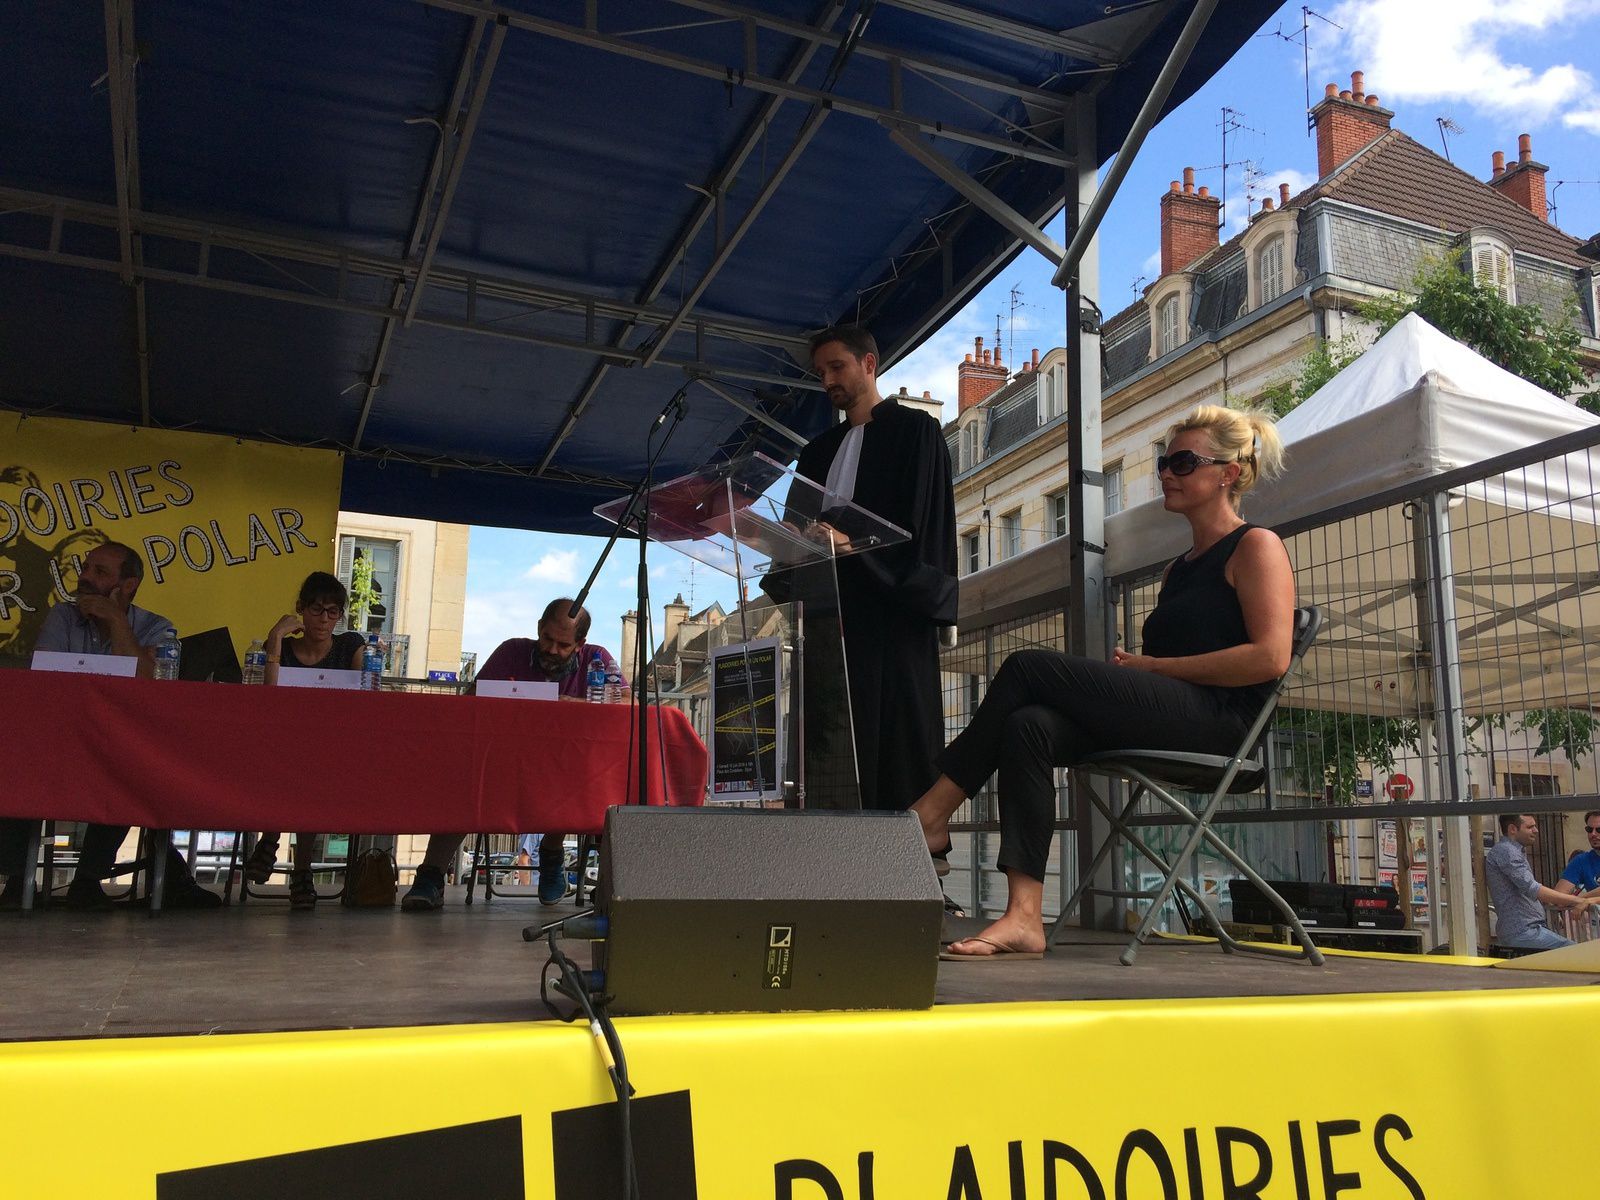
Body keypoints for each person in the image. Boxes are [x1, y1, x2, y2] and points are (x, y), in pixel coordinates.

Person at [909, 405, 1296, 959]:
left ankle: (931, 813)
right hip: (1174, 715)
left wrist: (1152, 668)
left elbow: (1270, 657)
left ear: (1228, 473)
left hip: (1222, 728)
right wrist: (1144, 673)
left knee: (1027, 667)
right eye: (1165, 461)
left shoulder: (1256, 546)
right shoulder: (1179, 568)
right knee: (1028, 725)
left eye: (1183, 462)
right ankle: (1023, 917)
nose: (1167, 472)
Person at [761, 325, 956, 813]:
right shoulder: (816, 452)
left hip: (893, 616)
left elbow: (923, 529)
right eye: (821, 372)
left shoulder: (916, 432)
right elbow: (792, 533)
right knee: (827, 751)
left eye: (836, 367)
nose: (828, 380)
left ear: (869, 364)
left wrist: (853, 547)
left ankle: (913, 867)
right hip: (829, 623)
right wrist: (788, 541)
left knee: (897, 746)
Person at [0, 541, 222, 910]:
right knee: (17, 760)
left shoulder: (158, 629)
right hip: (59, 741)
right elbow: (46, 679)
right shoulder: (62, 617)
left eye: (99, 572)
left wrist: (116, 621)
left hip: (120, 743)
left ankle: (87, 880)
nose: (85, 577)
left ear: (128, 585)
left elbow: (153, 685)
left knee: (130, 770)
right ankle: (18, 880)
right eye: (86, 568)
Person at [400, 598, 626, 912]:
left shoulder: (597, 658)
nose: (551, 649)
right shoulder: (511, 651)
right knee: (462, 781)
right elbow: (471, 701)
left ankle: (552, 850)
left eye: (563, 644)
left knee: (595, 786)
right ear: (538, 629)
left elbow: (629, 702)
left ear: (580, 644)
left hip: (566, 769)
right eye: (547, 638)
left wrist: (567, 704)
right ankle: (431, 875)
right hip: (503, 764)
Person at [239, 571, 367, 911]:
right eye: (316, 609)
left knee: (310, 766)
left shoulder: (350, 646)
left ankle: (271, 836)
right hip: (280, 743)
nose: (325, 619)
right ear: (300, 609)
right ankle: (301, 872)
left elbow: (363, 695)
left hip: (333, 745)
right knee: (294, 763)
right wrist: (276, 638)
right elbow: (266, 697)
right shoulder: (282, 647)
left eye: (333, 612)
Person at [1485, 813, 1592, 951]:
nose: (1536, 830)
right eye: (1530, 827)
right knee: (1577, 952)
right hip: (1523, 930)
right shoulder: (1507, 851)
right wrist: (1577, 901)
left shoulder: (1514, 851)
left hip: (1528, 929)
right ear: (1512, 829)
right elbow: (1533, 888)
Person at [1553, 810, 1600, 900]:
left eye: (1599, 830)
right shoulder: (1581, 861)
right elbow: (1559, 896)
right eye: (1589, 830)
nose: (1593, 834)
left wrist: (1584, 900)